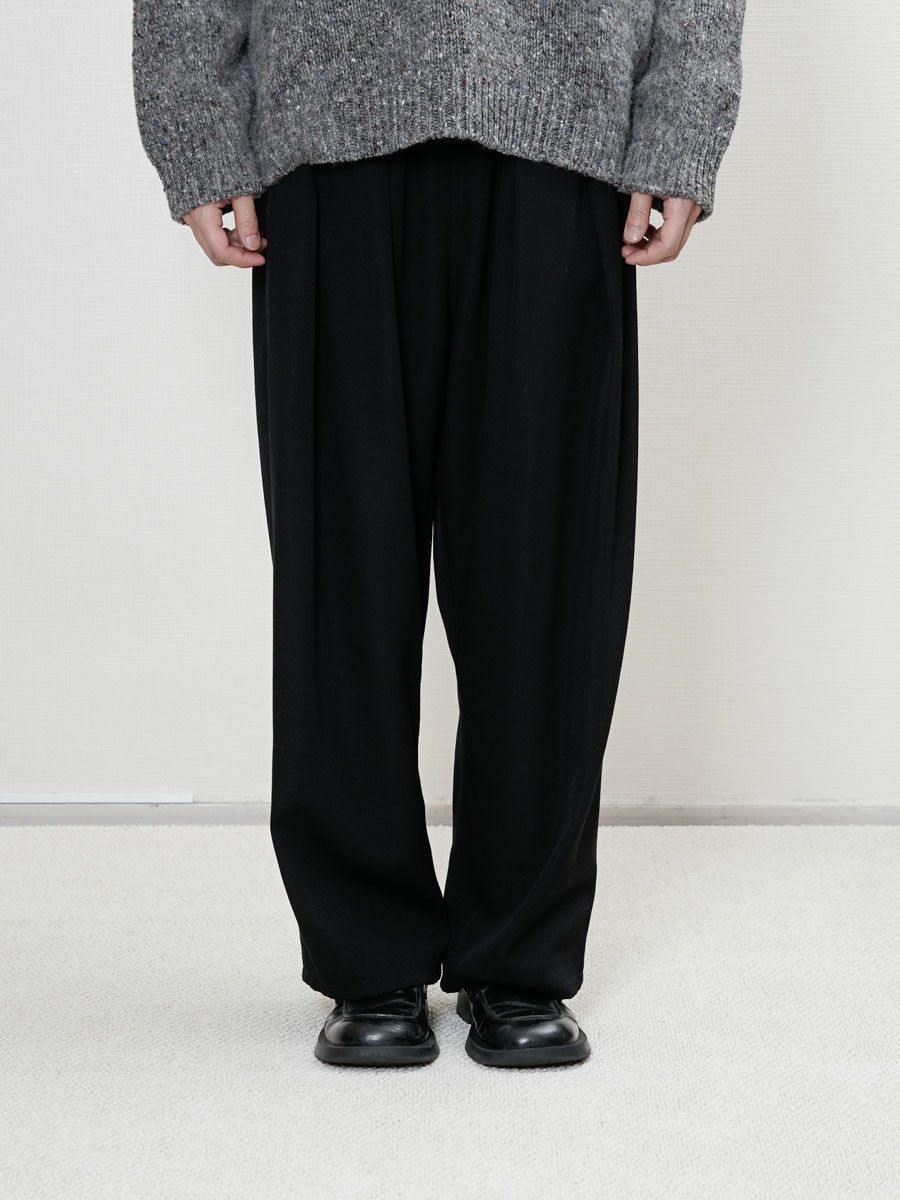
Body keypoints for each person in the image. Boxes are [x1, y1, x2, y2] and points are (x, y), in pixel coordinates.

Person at [133, 0, 745, 1069]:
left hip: (563, 132)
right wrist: (197, 127)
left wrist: (682, 124)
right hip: (324, 137)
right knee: (341, 574)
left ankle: (522, 954)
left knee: (545, 576)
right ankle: (368, 957)